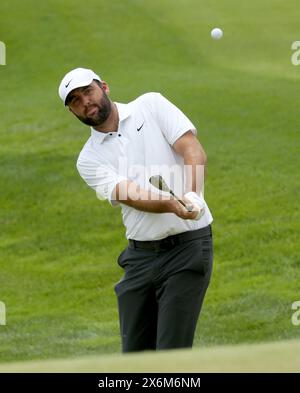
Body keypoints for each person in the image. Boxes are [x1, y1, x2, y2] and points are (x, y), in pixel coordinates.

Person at [58, 67, 214, 352]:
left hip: (186, 250)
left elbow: (192, 150)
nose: (85, 102)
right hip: (140, 258)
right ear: (72, 112)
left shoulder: (151, 105)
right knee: (134, 358)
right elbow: (130, 194)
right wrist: (170, 204)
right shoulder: (88, 159)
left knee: (171, 355)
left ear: (104, 87)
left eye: (88, 92)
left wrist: (193, 193)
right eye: (75, 101)